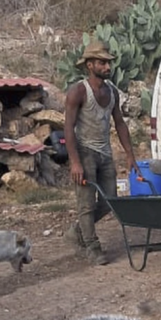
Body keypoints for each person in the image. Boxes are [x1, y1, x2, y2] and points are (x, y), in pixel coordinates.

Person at [63, 39, 138, 265]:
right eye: (102, 63)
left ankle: (78, 231)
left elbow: (120, 124)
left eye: (108, 63)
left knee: (111, 201)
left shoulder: (112, 91)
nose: (107, 67)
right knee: (86, 203)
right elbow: (68, 128)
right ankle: (92, 247)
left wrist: (130, 155)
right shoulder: (78, 92)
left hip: (104, 153)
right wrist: (75, 162)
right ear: (89, 65)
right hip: (85, 152)